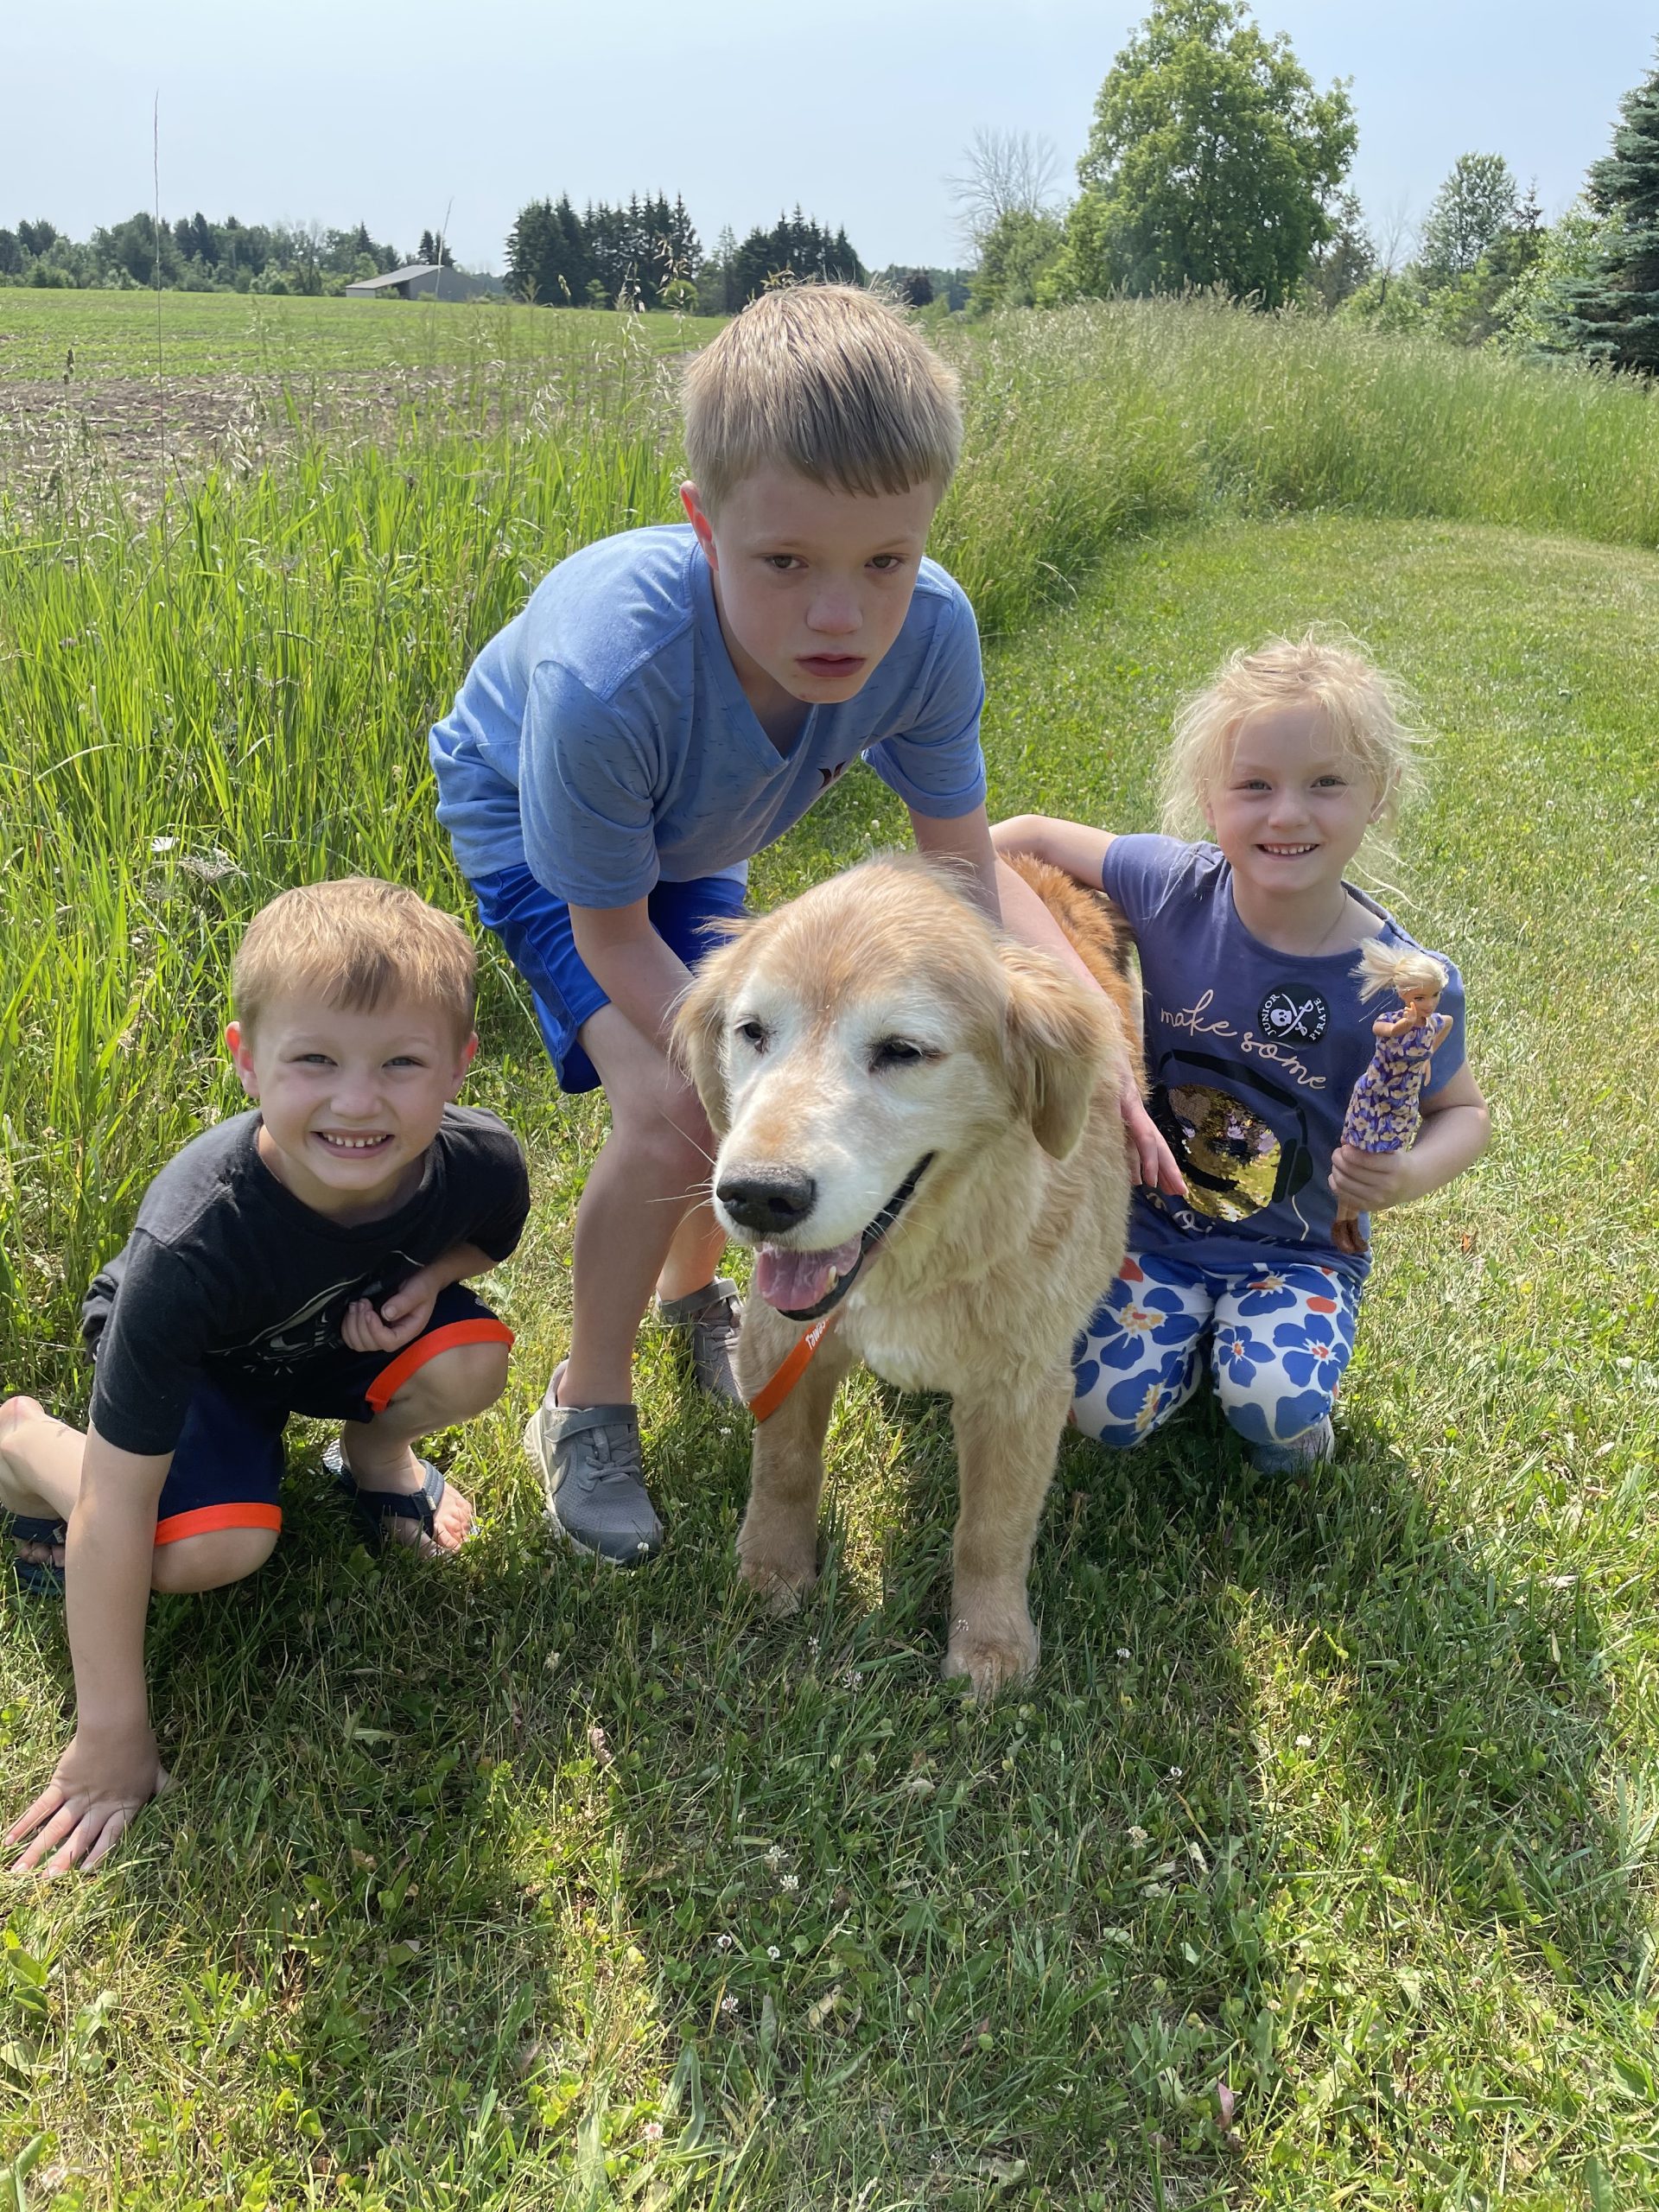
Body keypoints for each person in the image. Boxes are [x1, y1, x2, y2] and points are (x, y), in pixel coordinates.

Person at [430, 283, 1173, 1566]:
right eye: (785, 563)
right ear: (702, 527)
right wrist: (754, 1107)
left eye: (884, 560)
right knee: (675, 1100)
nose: (842, 618)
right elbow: (615, 940)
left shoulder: (928, 633)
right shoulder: (608, 681)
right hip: (548, 831)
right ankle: (587, 1402)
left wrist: (1094, 1054)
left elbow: (966, 884)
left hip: (706, 823)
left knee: (763, 1081)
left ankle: (694, 1295)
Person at [0, 878, 529, 1873]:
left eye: (402, 1063)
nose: (358, 1101)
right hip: (206, 1369)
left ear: (460, 1065)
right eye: (315, 1059)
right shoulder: (191, 1244)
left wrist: (434, 1278)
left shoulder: (480, 1160)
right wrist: (111, 1732)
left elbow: (491, 1236)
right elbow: (115, 1508)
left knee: (471, 1356)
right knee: (209, 1550)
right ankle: (25, 1437)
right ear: (246, 1061)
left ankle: (375, 1463)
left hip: (336, 1340)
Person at [991, 632, 1490, 1471]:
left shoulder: (1400, 982)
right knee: (1095, 1408)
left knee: (1274, 1408)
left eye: (1326, 783)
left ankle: (1280, 1402)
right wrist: (1073, 978)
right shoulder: (1173, 887)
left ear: (1378, 795)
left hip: (1298, 1250)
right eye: (1254, 785)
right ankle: (1185, 1356)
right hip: (1157, 1230)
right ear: (1209, 798)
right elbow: (1013, 840)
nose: (1287, 813)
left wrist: (1404, 1177)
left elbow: (1466, 1114)